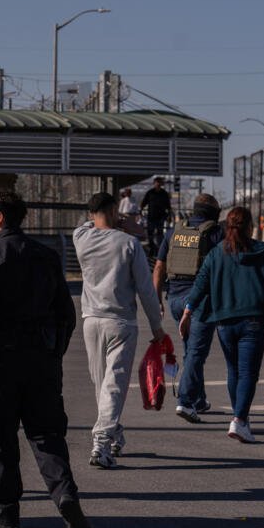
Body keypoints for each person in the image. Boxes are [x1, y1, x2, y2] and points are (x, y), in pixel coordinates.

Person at [0, 190, 92, 528]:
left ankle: (6, 515)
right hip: (41, 364)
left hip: (0, 366)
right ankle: (65, 496)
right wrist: (52, 353)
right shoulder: (46, 256)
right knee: (46, 437)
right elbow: (66, 315)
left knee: (0, 442)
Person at [180, 206, 264, 443]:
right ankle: (240, 421)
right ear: (251, 226)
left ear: (227, 226)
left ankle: (239, 417)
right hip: (254, 321)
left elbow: (201, 283)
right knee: (248, 373)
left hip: (224, 321)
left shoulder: (215, 254)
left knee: (234, 370)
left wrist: (188, 312)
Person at [74, 193, 165, 468]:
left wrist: (105, 219)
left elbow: (87, 224)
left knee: (101, 383)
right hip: (121, 321)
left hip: (91, 319)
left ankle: (113, 433)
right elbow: (146, 289)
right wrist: (157, 327)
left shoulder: (81, 238)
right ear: (115, 210)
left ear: (91, 214)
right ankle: (101, 444)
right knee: (114, 385)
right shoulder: (129, 244)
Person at [153, 193, 224, 424]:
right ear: (214, 212)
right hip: (199, 300)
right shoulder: (215, 232)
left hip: (174, 298)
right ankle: (185, 400)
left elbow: (159, 266)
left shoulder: (175, 231)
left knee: (190, 350)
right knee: (196, 352)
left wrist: (157, 301)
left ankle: (199, 399)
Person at [140, 177, 172, 256]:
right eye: (157, 182)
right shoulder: (150, 193)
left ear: (161, 184)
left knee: (160, 234)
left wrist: (169, 216)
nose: (158, 184)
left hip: (161, 217)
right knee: (150, 234)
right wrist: (140, 210)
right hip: (151, 217)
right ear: (154, 183)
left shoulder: (164, 193)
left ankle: (159, 250)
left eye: (159, 182)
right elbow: (144, 202)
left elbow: (168, 206)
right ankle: (152, 248)